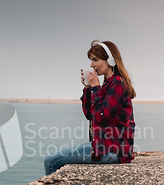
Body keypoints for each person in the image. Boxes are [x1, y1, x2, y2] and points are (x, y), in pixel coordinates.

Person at [43, 40, 136, 175]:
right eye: (91, 60)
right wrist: (88, 89)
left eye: (95, 60)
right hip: (105, 147)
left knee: (50, 161)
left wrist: (95, 88)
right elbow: (90, 115)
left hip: (113, 151)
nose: (92, 65)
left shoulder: (117, 83)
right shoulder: (107, 85)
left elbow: (100, 116)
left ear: (110, 60)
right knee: (52, 159)